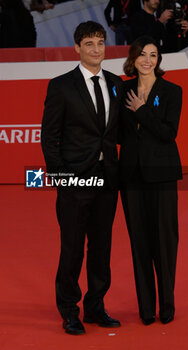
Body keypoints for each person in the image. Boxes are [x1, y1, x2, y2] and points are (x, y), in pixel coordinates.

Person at [41, 21, 123, 335]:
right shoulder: (61, 85)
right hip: (75, 180)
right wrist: (62, 178)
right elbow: (49, 137)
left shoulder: (116, 83)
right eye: (89, 44)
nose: (96, 50)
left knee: (102, 247)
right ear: (77, 48)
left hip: (107, 179)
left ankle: (96, 306)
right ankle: (69, 311)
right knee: (73, 248)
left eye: (100, 43)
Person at [119, 36, 182, 325]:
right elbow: (119, 133)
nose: (147, 59)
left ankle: (167, 305)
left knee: (165, 240)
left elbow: (168, 134)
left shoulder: (172, 91)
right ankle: (146, 307)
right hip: (131, 175)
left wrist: (142, 111)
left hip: (162, 175)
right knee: (139, 241)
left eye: (153, 55)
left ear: (159, 60)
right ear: (133, 59)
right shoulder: (123, 89)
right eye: (142, 54)